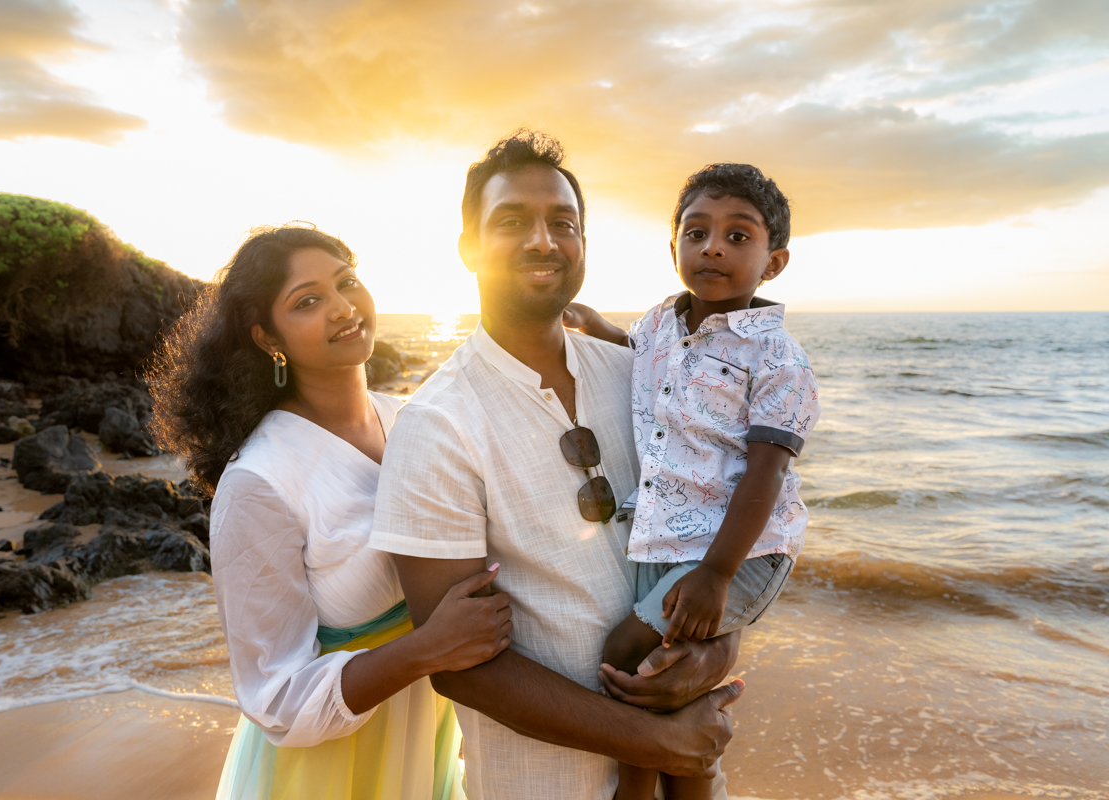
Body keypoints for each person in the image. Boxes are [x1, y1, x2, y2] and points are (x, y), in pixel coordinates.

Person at [368, 130, 744, 800]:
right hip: (541, 783)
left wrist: (716, 653)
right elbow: (455, 664)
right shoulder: (436, 425)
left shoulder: (636, 376)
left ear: (583, 248)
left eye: (562, 223)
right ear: (468, 247)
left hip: (681, 772)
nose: (542, 241)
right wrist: (653, 739)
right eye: (512, 221)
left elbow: (711, 539)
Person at [147, 223, 514, 800]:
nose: (343, 308)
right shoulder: (258, 482)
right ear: (268, 336)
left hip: (432, 733)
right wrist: (425, 649)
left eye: (347, 282)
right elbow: (276, 700)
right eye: (308, 301)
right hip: (332, 770)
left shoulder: (413, 421)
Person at [564, 163, 821, 799]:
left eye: (739, 237)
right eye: (696, 232)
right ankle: (672, 780)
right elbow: (652, 363)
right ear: (674, 244)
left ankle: (635, 784)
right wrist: (603, 332)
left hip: (738, 552)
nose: (712, 247)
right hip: (664, 540)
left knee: (629, 653)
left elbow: (766, 473)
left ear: (774, 262)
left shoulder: (778, 358)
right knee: (673, 687)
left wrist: (716, 574)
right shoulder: (657, 325)